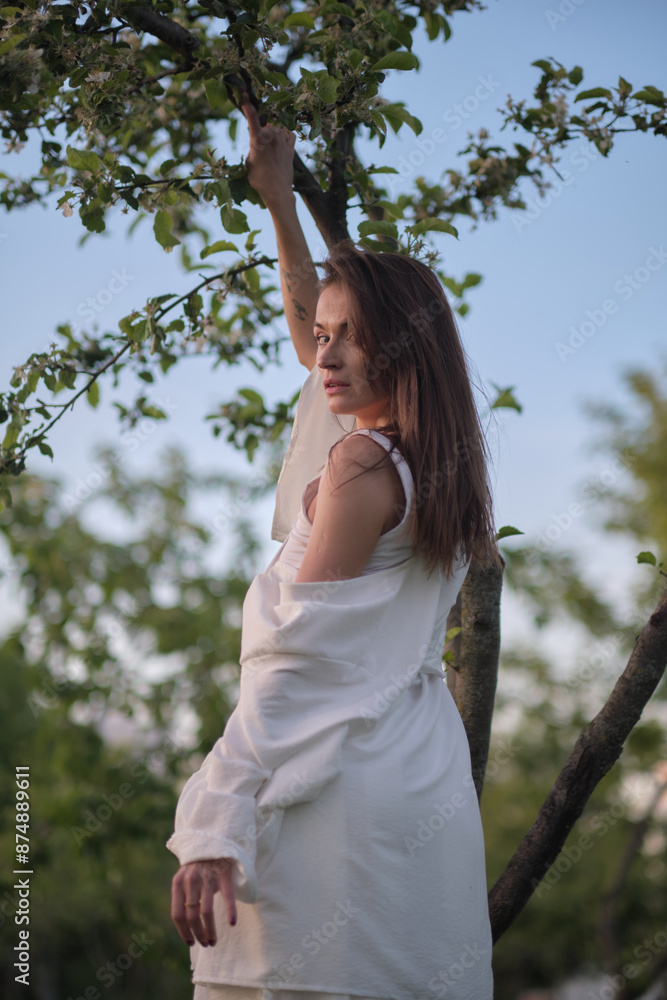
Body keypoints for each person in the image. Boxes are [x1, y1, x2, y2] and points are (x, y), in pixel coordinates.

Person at [167, 94, 500, 1000]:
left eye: (354, 338)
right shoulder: (436, 460)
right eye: (326, 338)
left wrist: (217, 823)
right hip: (417, 780)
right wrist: (280, 203)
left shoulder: (357, 465)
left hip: (333, 784)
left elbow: (298, 657)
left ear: (404, 347)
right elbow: (310, 319)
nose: (326, 355)